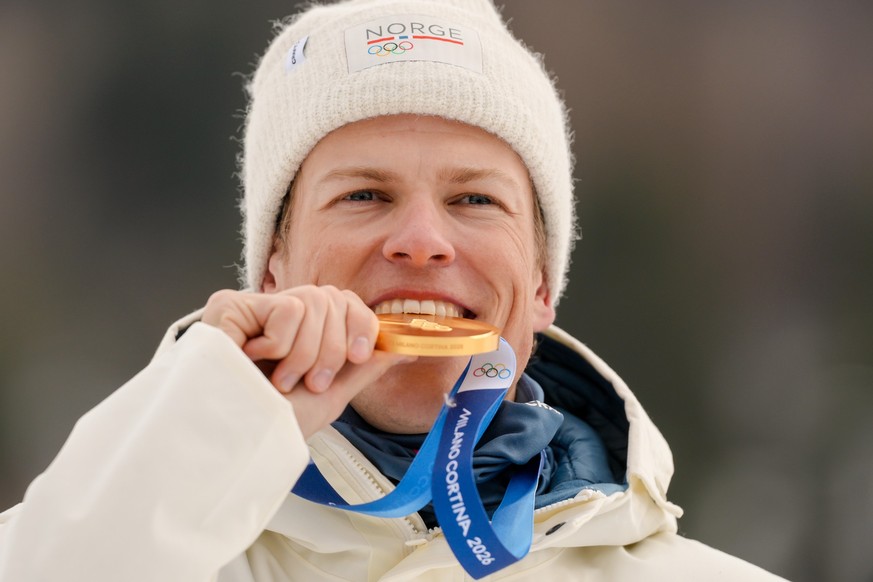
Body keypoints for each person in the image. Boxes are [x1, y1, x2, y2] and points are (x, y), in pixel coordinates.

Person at [0, 0, 787, 580]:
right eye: (363, 196)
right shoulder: (114, 541)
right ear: (273, 270)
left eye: (474, 199)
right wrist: (216, 414)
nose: (421, 240)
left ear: (542, 284)